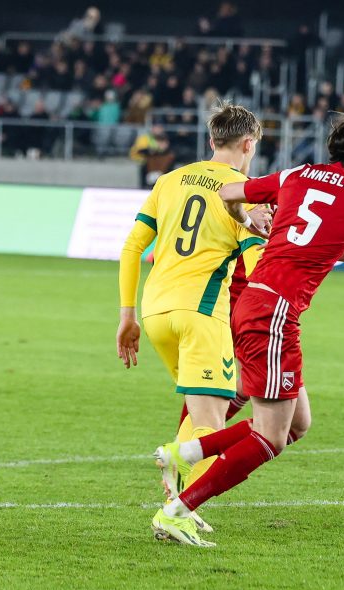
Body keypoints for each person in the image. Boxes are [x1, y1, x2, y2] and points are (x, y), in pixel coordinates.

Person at [150, 113, 344, 547]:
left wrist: (252, 218)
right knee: (271, 437)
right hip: (276, 312)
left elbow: (228, 191)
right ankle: (178, 511)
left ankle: (181, 453)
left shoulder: (296, 174)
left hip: (254, 302)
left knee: (298, 424)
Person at [117, 101, 272, 538]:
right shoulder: (245, 191)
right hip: (201, 314)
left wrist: (126, 316)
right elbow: (258, 269)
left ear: (211, 141)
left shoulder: (169, 180)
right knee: (209, 424)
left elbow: (132, 248)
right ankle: (177, 512)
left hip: (153, 312)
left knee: (200, 414)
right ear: (249, 143)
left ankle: (176, 498)